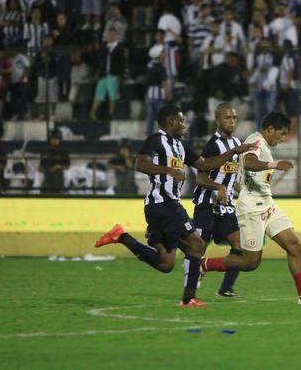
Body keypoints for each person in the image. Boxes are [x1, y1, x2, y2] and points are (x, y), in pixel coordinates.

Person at [94, 104, 258, 307]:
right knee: (196, 244)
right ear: (171, 122)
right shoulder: (156, 140)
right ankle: (189, 298)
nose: (184, 125)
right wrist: (167, 170)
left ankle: (121, 236)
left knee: (166, 263)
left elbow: (204, 165)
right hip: (164, 203)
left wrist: (234, 151)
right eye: (181, 121)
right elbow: (140, 164)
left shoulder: (181, 146)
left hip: (160, 207)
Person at [200, 112, 301, 305]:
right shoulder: (255, 141)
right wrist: (275, 164)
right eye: (282, 133)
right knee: (250, 262)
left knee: (294, 245)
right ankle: (203, 264)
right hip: (252, 209)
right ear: (270, 129)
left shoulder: (264, 145)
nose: (283, 138)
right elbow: (249, 162)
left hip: (267, 204)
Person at [190, 103, 245, 298]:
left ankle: (225, 288)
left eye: (234, 117)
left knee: (240, 244)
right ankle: (189, 291)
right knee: (198, 248)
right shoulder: (213, 146)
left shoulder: (237, 144)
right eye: (227, 118)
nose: (232, 121)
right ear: (218, 120)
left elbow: (232, 177)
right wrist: (218, 187)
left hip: (226, 207)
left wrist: (246, 193)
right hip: (206, 204)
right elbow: (200, 177)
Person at [90, 28, 125, 119]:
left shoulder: (119, 48)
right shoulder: (103, 47)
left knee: (112, 96)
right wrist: (94, 73)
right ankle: (92, 114)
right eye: (109, 34)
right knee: (98, 95)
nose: (111, 36)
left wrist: (120, 75)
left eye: (113, 34)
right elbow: (98, 61)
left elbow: (122, 63)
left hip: (113, 76)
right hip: (103, 75)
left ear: (116, 36)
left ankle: (110, 114)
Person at [144, 44, 169, 134]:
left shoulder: (149, 65)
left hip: (149, 94)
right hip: (158, 94)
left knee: (150, 116)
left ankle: (149, 134)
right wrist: (167, 93)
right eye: (162, 52)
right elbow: (164, 82)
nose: (164, 54)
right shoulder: (161, 67)